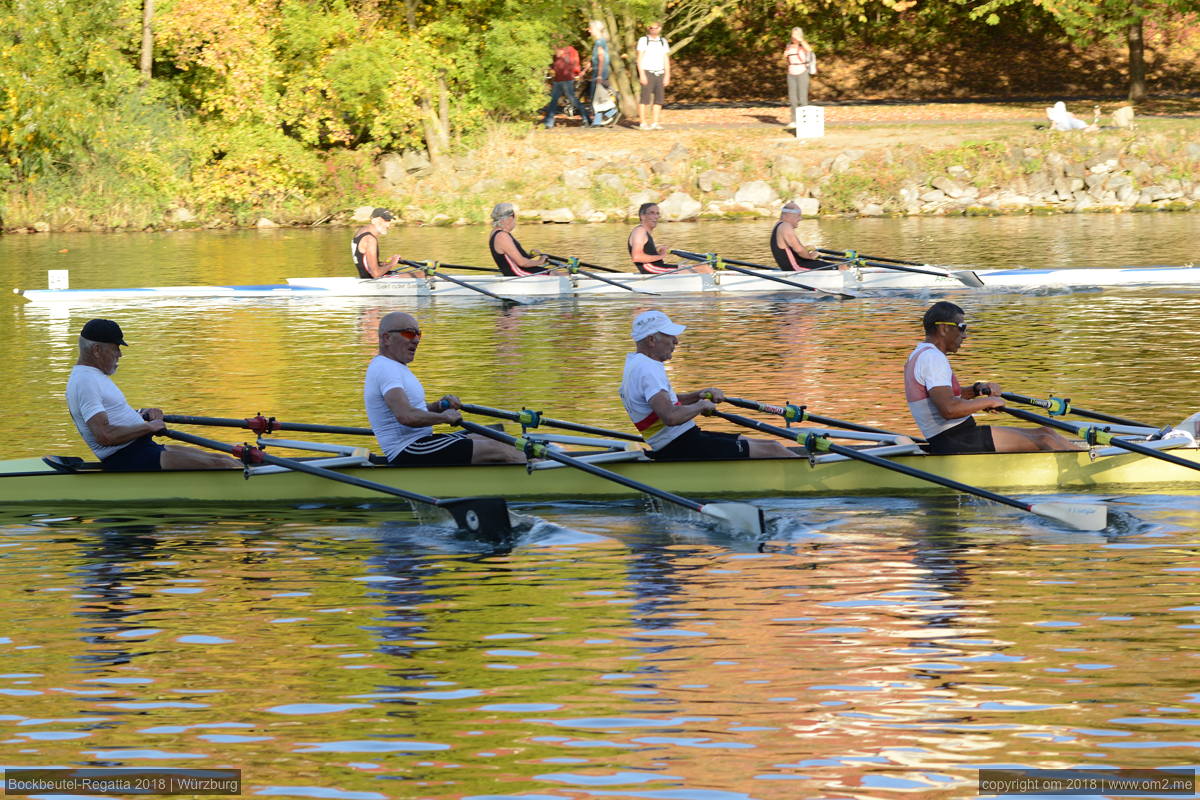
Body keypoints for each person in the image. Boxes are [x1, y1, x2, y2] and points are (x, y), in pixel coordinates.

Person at [905, 301, 1082, 454]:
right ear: (943, 328)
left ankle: (1085, 455)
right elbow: (949, 409)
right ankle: (1092, 463)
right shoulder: (933, 358)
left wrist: (976, 390)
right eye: (962, 327)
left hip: (956, 435)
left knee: (1046, 432)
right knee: (1045, 439)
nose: (965, 335)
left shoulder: (920, 353)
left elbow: (946, 398)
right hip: (955, 440)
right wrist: (988, 402)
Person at [619, 310, 797, 460]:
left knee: (769, 444)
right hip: (680, 446)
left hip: (683, 440)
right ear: (651, 340)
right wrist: (701, 405)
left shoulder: (636, 363)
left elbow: (666, 402)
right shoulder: (648, 369)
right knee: (773, 450)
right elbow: (670, 417)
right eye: (670, 336)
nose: (676, 342)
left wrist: (699, 395)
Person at [66, 319, 240, 471]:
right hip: (129, 458)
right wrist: (149, 427)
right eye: (115, 348)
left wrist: (143, 413)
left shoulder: (93, 376)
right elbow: (105, 435)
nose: (120, 354)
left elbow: (111, 415)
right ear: (96, 350)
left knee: (223, 459)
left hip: (142, 449)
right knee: (223, 465)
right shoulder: (85, 382)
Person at [364, 312, 526, 465]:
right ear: (386, 338)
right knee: (495, 448)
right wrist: (445, 418)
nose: (416, 340)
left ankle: (529, 462)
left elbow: (414, 410)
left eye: (418, 334)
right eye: (409, 333)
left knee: (495, 434)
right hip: (407, 449)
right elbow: (406, 416)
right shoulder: (385, 369)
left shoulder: (394, 366)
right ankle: (540, 470)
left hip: (421, 442)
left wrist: (438, 407)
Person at [770, 202, 843, 271]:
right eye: (798, 216)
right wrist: (810, 256)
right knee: (841, 267)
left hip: (797, 265)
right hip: (797, 267)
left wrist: (807, 250)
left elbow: (793, 249)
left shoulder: (778, 226)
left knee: (831, 265)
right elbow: (799, 250)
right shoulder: (785, 226)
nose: (800, 219)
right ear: (788, 215)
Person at [488, 203, 550, 277]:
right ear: (510, 218)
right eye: (514, 217)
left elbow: (511, 257)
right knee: (558, 274)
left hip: (519, 271)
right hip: (519, 274)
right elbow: (522, 262)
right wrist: (540, 261)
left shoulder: (495, 232)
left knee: (556, 273)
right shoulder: (502, 236)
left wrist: (529, 256)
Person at [545, 34, 589, 128]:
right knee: (553, 100)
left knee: (572, 100)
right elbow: (554, 64)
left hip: (567, 79)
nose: (554, 41)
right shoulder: (563, 50)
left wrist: (577, 73)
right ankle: (548, 122)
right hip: (558, 79)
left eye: (555, 38)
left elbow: (574, 63)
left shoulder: (569, 50)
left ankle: (586, 118)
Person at [636, 21, 670, 130]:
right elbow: (639, 59)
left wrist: (667, 74)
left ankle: (655, 122)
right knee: (644, 99)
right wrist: (642, 74)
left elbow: (665, 58)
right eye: (651, 28)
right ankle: (643, 123)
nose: (653, 30)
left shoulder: (663, 41)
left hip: (660, 72)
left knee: (659, 100)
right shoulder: (643, 40)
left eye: (655, 28)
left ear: (660, 28)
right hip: (647, 71)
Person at [351, 208, 402, 279]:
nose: (388, 225)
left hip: (366, 276)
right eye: (385, 220)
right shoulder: (370, 239)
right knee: (421, 274)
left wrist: (385, 263)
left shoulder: (360, 232)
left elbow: (364, 262)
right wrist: (392, 264)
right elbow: (375, 274)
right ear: (374, 220)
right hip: (372, 280)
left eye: (389, 220)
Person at [585, 20, 618, 127]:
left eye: (591, 28)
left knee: (597, 96)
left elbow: (601, 58)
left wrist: (599, 75)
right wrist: (586, 68)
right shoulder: (599, 42)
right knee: (598, 97)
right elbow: (596, 58)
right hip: (598, 71)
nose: (589, 31)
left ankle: (611, 113)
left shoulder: (600, 42)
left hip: (599, 72)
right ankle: (598, 121)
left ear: (596, 29)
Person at [783, 28, 817, 130]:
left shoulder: (803, 45)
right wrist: (785, 54)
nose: (794, 37)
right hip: (791, 72)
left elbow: (810, 50)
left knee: (802, 98)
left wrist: (801, 40)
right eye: (793, 34)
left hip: (802, 72)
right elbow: (785, 57)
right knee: (793, 98)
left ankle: (804, 121)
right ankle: (794, 121)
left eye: (796, 34)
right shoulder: (789, 46)